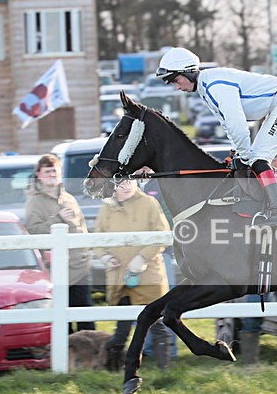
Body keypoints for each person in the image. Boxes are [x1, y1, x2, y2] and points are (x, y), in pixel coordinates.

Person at [156, 47, 277, 227]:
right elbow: (228, 125)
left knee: (258, 159)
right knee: (253, 159)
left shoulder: (215, 85)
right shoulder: (206, 87)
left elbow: (238, 125)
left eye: (176, 80)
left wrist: (243, 156)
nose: (177, 87)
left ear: (188, 72)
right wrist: (238, 153)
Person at [94, 179, 173, 371]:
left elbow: (162, 235)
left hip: (148, 275)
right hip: (120, 276)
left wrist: (142, 258)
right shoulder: (107, 208)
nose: (127, 186)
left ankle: (164, 369)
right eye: (121, 183)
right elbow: (97, 239)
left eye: (130, 181)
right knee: (122, 327)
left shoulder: (149, 203)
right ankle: (113, 369)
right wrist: (105, 257)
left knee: (156, 324)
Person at [25, 154, 95, 333]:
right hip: (55, 270)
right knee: (62, 317)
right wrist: (57, 219)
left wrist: (87, 249)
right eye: (47, 172)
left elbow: (82, 226)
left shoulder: (69, 198)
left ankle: (89, 356)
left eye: (54, 171)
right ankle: (67, 356)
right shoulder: (34, 202)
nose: (51, 175)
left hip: (80, 265)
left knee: (85, 312)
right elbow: (34, 231)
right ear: (39, 175)